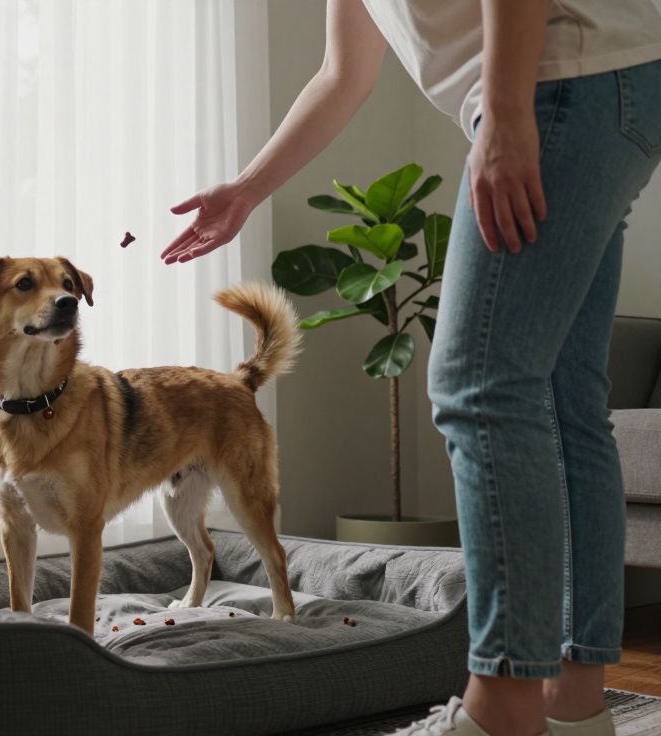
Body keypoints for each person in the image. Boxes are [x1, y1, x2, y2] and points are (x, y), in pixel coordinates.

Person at [162, 1, 661, 734]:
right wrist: (246, 190)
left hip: (564, 80)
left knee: (479, 387)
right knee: (562, 397)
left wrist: (507, 112)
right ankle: (574, 708)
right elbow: (343, 76)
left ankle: (503, 707)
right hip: (607, 83)